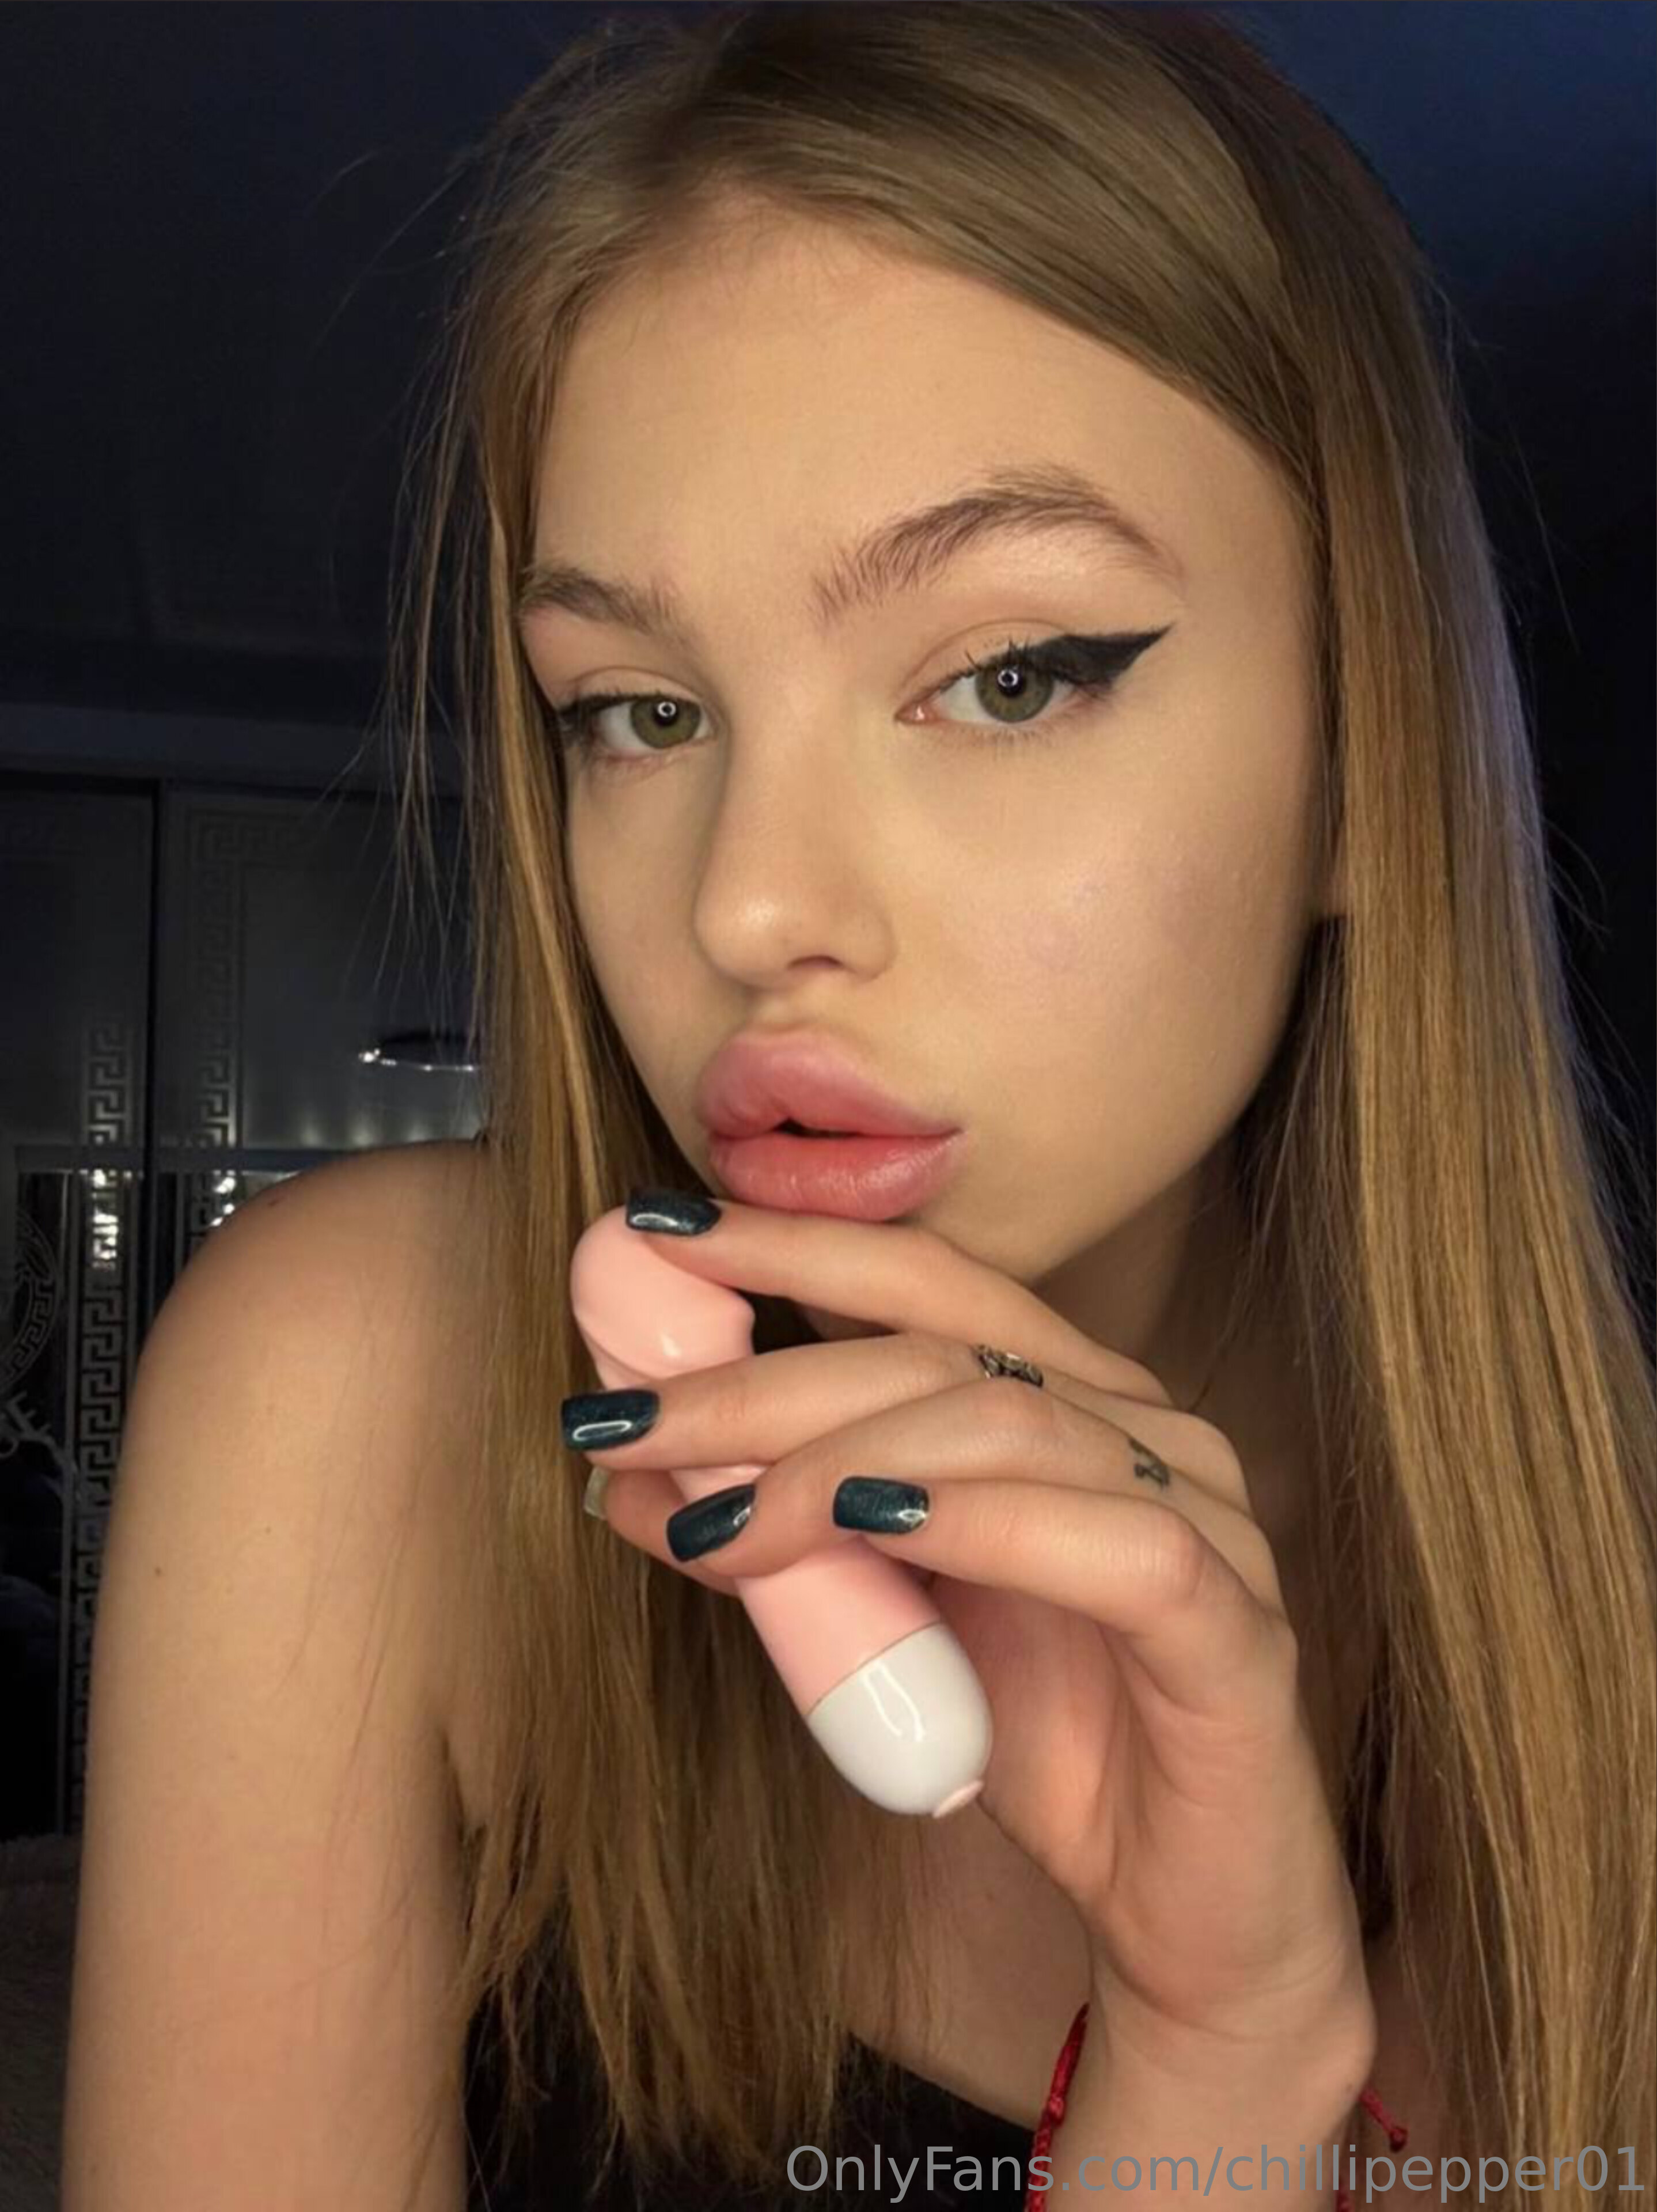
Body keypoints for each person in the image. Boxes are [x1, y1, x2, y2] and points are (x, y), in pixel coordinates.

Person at [61, 7, 1655, 2211]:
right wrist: (1208, 2074)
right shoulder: (370, 1395)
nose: (744, 905)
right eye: (640, 711)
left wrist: (1248, 2045)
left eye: (1007, 677)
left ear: (1367, 770)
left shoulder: (1599, 1680)